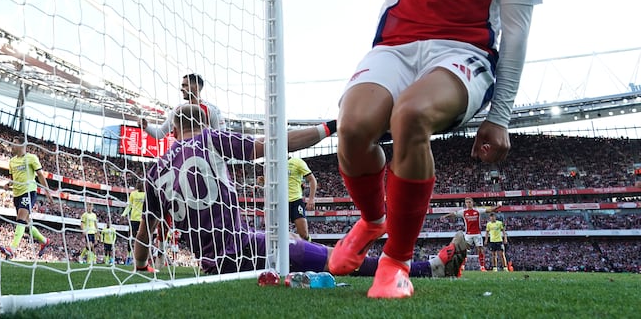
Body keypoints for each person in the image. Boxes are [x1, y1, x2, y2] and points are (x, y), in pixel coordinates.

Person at [260, 0, 541, 299]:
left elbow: (516, 29)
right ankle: (371, 222)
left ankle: (395, 263)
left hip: (463, 54)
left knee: (409, 117)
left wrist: (502, 116)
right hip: (395, 46)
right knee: (352, 126)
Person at [133, 104, 467, 280]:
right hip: (244, 248)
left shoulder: (154, 170)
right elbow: (275, 145)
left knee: (319, 253)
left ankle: (423, 267)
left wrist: (141, 267)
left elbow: (145, 232)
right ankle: (429, 269)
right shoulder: (210, 140)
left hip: (210, 265)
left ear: (173, 130)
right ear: (204, 125)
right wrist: (332, 127)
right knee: (333, 260)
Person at [0, 139, 52, 260]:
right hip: (17, 194)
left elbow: (40, 175)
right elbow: (14, 178)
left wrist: (47, 192)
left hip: (29, 192)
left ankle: (12, 249)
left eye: (13, 143)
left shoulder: (31, 158)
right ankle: (44, 241)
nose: (11, 145)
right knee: (26, 223)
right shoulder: (12, 161)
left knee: (20, 220)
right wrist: (9, 184)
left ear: (21, 144)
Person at [140, 73, 225, 138]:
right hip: (183, 156)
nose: (181, 89)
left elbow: (221, 138)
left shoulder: (211, 110)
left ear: (196, 87)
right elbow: (160, 134)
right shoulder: (178, 110)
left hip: (203, 158)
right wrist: (146, 127)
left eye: (185, 85)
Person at [443, 197, 501, 271]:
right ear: (465, 204)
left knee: (480, 249)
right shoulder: (463, 212)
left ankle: (482, 267)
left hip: (477, 234)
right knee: (465, 250)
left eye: (469, 202)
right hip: (468, 234)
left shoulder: (477, 210)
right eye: (467, 202)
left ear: (472, 203)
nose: (468, 204)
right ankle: (462, 266)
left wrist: (498, 207)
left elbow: (490, 210)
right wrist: (445, 216)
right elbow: (454, 214)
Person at [288, 155, 317, 240]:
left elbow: (312, 180)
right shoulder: (273, 164)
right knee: (280, 233)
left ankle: (309, 249)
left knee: (304, 234)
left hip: (295, 201)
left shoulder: (297, 162)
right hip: (280, 203)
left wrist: (311, 199)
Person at [122, 179, 145, 249]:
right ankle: (129, 254)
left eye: (138, 183)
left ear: (142, 184)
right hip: (133, 218)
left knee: (141, 238)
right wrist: (124, 214)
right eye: (137, 183)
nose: (137, 184)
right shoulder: (133, 194)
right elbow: (129, 205)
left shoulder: (146, 195)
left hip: (142, 219)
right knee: (131, 237)